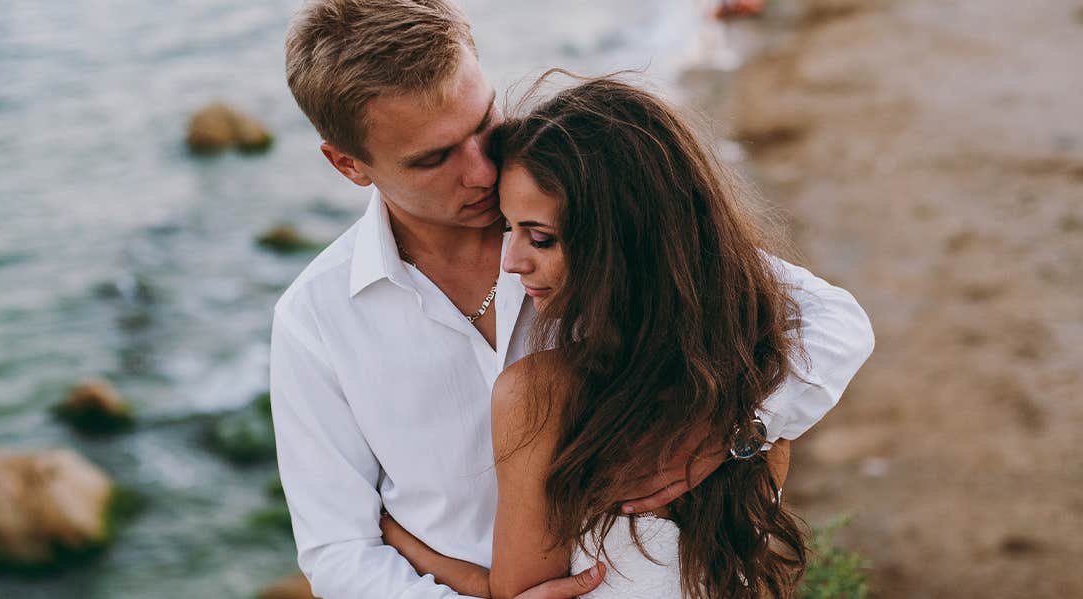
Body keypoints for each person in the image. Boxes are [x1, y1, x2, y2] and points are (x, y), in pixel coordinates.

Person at [270, 1, 875, 597]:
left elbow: (833, 322)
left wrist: (736, 428)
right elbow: (340, 553)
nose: (482, 171)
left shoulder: (592, 220)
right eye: (434, 158)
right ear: (348, 164)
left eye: (484, 124)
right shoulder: (316, 319)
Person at [379, 74, 823, 598]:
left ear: (622, 243)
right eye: (508, 228)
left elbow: (513, 593)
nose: (512, 261)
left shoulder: (540, 395)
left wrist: (403, 542)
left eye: (539, 238)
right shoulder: (755, 407)